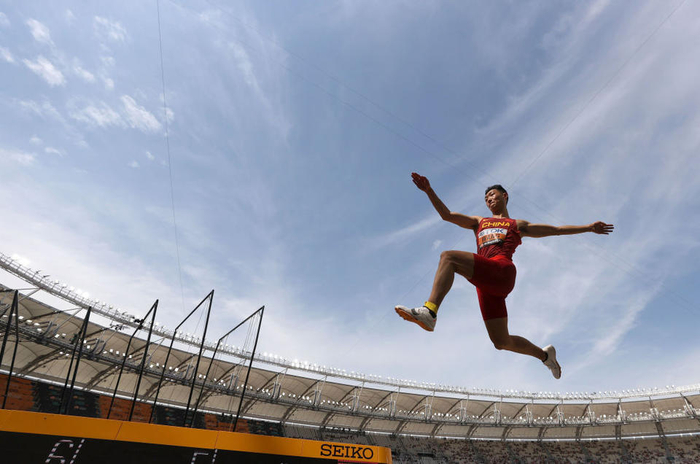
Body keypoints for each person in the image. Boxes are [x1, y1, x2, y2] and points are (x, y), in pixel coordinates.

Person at [395, 172, 614, 379]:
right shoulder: (478, 222)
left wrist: (588, 227)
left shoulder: (517, 225)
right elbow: (447, 216)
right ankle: (546, 356)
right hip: (485, 284)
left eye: (492, 195)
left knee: (448, 257)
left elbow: (555, 230)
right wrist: (429, 191)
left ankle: (430, 311)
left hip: (501, 270)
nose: (489, 199)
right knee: (500, 341)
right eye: (486, 198)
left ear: (504, 196)